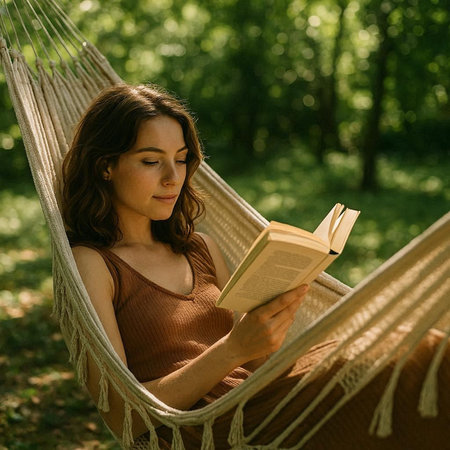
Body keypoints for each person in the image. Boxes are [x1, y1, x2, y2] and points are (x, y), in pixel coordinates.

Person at [62, 83, 449, 449]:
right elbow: (122, 415)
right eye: (151, 161)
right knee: (428, 362)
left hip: (267, 407)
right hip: (207, 432)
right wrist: (233, 350)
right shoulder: (94, 264)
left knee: (418, 346)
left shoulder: (200, 248)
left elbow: (260, 362)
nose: (172, 178)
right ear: (104, 166)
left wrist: (273, 320)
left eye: (181, 160)